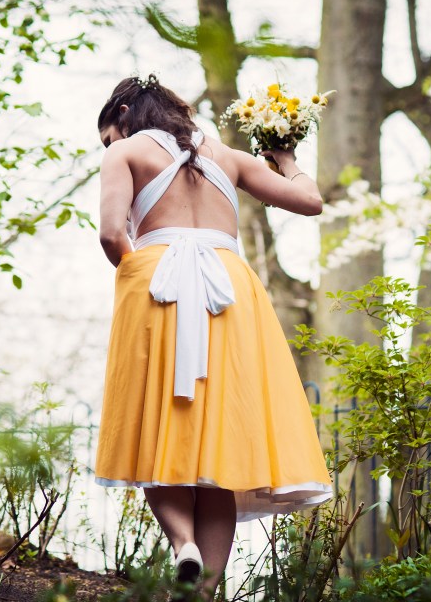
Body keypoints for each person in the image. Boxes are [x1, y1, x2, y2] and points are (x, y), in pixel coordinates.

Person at [94, 74, 333, 600]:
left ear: (126, 112)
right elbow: (310, 202)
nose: (108, 147)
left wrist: (141, 281)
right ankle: (205, 594)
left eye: (108, 135)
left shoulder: (126, 153)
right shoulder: (228, 156)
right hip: (230, 292)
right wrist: (285, 155)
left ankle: (183, 545)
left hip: (159, 284)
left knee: (155, 427)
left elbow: (113, 234)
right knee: (222, 444)